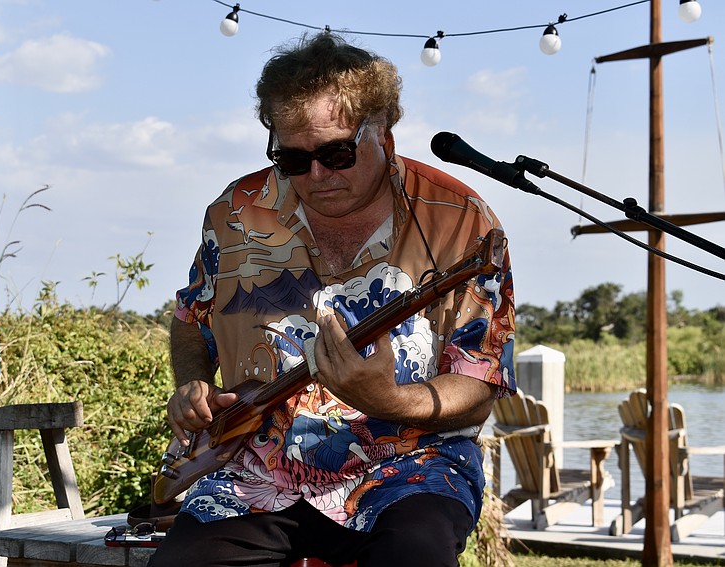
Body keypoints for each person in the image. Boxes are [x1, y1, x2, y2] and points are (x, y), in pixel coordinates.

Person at [151, 32, 516, 567]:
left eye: (336, 153)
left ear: (384, 134)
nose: (316, 176)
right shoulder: (236, 212)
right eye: (293, 159)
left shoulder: (461, 222)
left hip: (409, 469)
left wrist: (388, 401)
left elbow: (478, 383)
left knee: (412, 556)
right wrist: (191, 384)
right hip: (256, 470)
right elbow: (191, 319)